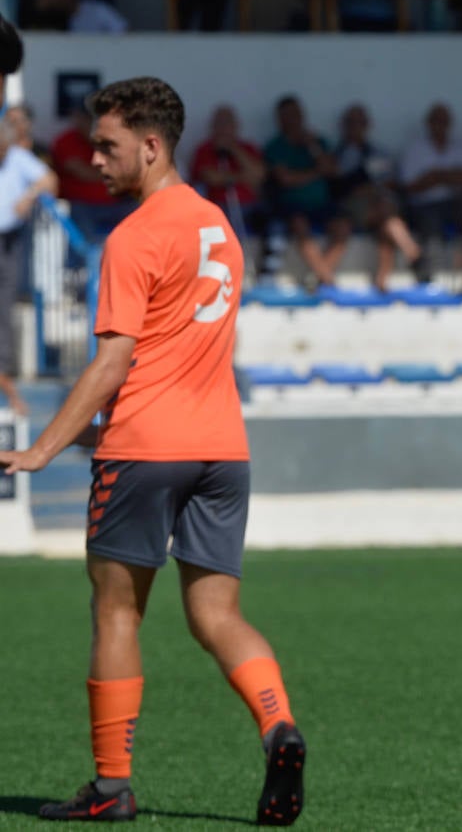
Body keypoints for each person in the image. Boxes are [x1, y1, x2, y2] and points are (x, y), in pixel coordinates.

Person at [0, 76, 305, 825]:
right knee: (216, 613)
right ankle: (279, 726)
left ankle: (112, 787)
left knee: (116, 613)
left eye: (107, 147)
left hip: (143, 447)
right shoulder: (218, 227)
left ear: (151, 145)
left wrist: (41, 448)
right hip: (222, 449)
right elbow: (180, 347)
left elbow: (114, 363)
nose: (94, 161)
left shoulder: (134, 235)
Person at [331, 103, 429, 289]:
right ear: (345, 125)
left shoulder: (379, 153)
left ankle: (383, 281)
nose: (356, 127)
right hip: (354, 209)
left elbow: (391, 182)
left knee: (388, 225)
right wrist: (366, 187)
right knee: (387, 215)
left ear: (368, 125)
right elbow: (339, 187)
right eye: (352, 122)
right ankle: (413, 253)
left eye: (360, 122)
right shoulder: (338, 155)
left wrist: (373, 188)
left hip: (381, 207)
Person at [0, 118, 56, 414]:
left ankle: (5, 371)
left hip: (9, 240)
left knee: (4, 305)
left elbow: (49, 181)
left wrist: (28, 197)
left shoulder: (18, 158)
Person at [263, 95, 344, 288]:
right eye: (289, 115)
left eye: (297, 114)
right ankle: (328, 280)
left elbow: (333, 170)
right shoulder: (276, 146)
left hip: (322, 205)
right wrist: (317, 172)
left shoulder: (317, 142)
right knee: (300, 226)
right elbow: (286, 179)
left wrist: (313, 148)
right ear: (280, 119)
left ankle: (319, 279)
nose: (294, 120)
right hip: (292, 205)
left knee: (343, 227)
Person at [399, 102, 462, 276]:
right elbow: (409, 186)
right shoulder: (415, 149)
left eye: (444, 121)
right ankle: (428, 276)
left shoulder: (459, 148)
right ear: (429, 123)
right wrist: (448, 176)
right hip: (424, 204)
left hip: (454, 202)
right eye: (436, 121)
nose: (440, 125)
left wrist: (436, 176)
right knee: (431, 228)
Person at [190, 104, 268, 270]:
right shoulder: (204, 150)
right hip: (219, 207)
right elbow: (212, 178)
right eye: (220, 123)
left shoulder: (247, 148)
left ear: (236, 126)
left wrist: (233, 149)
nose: (224, 128)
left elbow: (258, 174)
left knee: (272, 223)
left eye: (228, 123)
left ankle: (264, 271)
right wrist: (242, 177)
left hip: (250, 207)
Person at [51, 106, 137, 242]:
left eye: (94, 119)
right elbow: (84, 173)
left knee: (142, 213)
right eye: (87, 118)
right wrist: (115, 171)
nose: (91, 123)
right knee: (85, 244)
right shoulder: (65, 141)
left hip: (115, 204)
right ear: (78, 119)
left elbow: (129, 167)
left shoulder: (109, 141)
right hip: (81, 206)